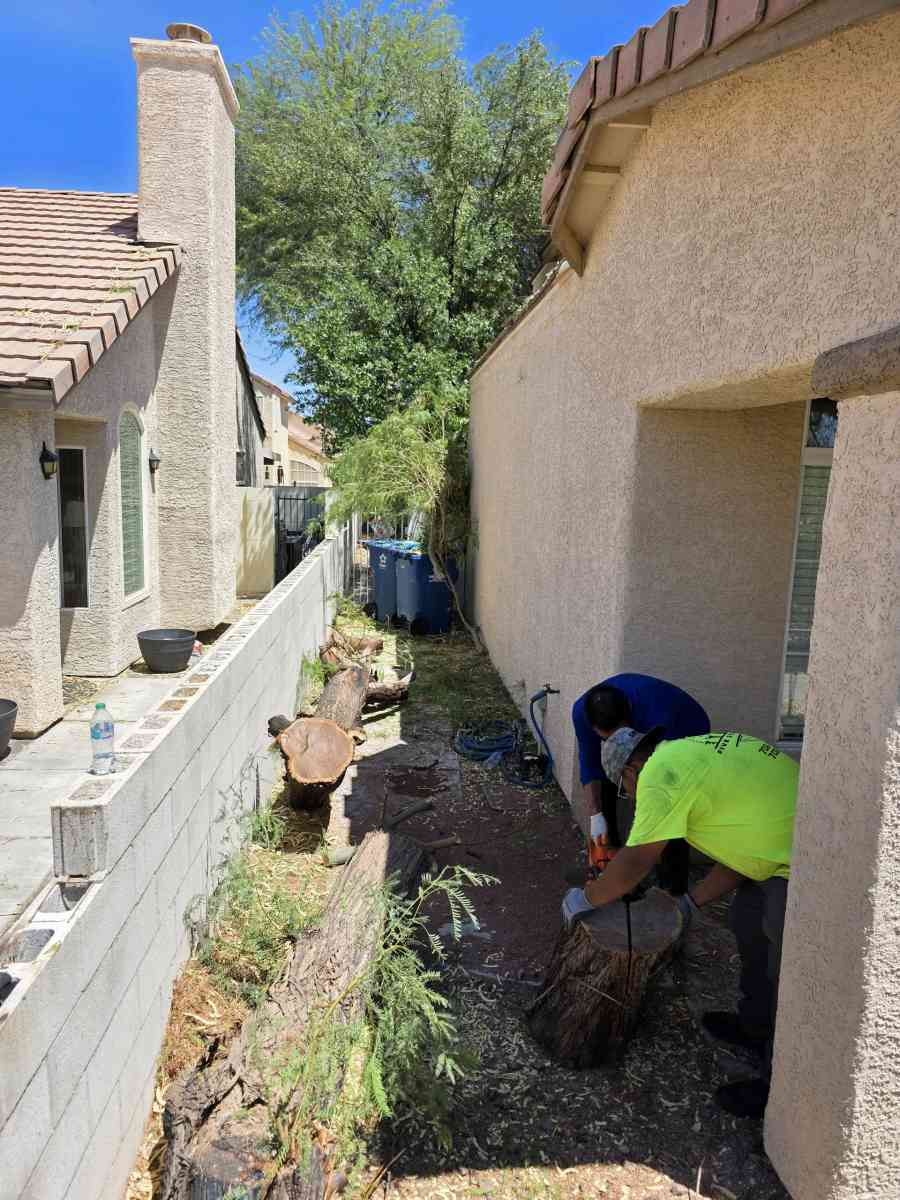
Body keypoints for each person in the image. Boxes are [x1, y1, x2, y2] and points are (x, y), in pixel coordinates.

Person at [568, 728, 797, 1120]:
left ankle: (779, 1089)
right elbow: (741, 847)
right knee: (747, 924)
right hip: (776, 849)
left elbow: (637, 862)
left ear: (631, 771)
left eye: (625, 788)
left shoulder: (661, 773)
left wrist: (584, 900)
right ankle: (755, 1027)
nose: (632, 796)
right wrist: (690, 903)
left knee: (788, 977)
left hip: (802, 859)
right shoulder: (688, 753)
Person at [572, 676, 710, 893]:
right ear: (593, 726)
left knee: (669, 809)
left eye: (619, 736)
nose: (614, 743)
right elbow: (590, 765)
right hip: (646, 734)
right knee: (611, 775)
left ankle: (672, 888)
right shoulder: (582, 713)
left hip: (687, 730)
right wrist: (596, 817)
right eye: (607, 739)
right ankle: (609, 863)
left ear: (629, 718)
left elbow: (658, 787)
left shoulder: (660, 715)